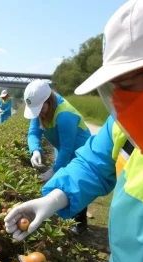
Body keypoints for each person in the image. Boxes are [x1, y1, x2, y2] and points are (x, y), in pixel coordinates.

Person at [4, 0, 143, 262]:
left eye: (129, 84)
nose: (120, 100)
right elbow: (93, 163)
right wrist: (56, 197)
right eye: (114, 87)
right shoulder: (126, 124)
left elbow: (69, 149)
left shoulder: (67, 116)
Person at [24, 79, 91, 234]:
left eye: (41, 109)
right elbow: (34, 133)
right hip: (62, 149)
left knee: (76, 183)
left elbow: (68, 149)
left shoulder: (64, 115)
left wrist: (54, 169)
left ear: (49, 101)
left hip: (80, 151)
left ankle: (80, 224)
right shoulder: (40, 109)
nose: (39, 113)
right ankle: (67, 216)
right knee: (62, 181)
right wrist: (35, 150)